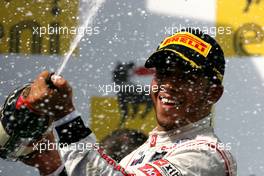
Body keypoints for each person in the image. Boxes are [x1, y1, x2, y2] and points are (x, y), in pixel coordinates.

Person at [0, 28, 237, 175]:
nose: (169, 85)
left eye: (184, 77)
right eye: (163, 74)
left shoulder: (207, 156)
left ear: (213, 94)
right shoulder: (138, 155)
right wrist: (50, 164)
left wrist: (65, 115)